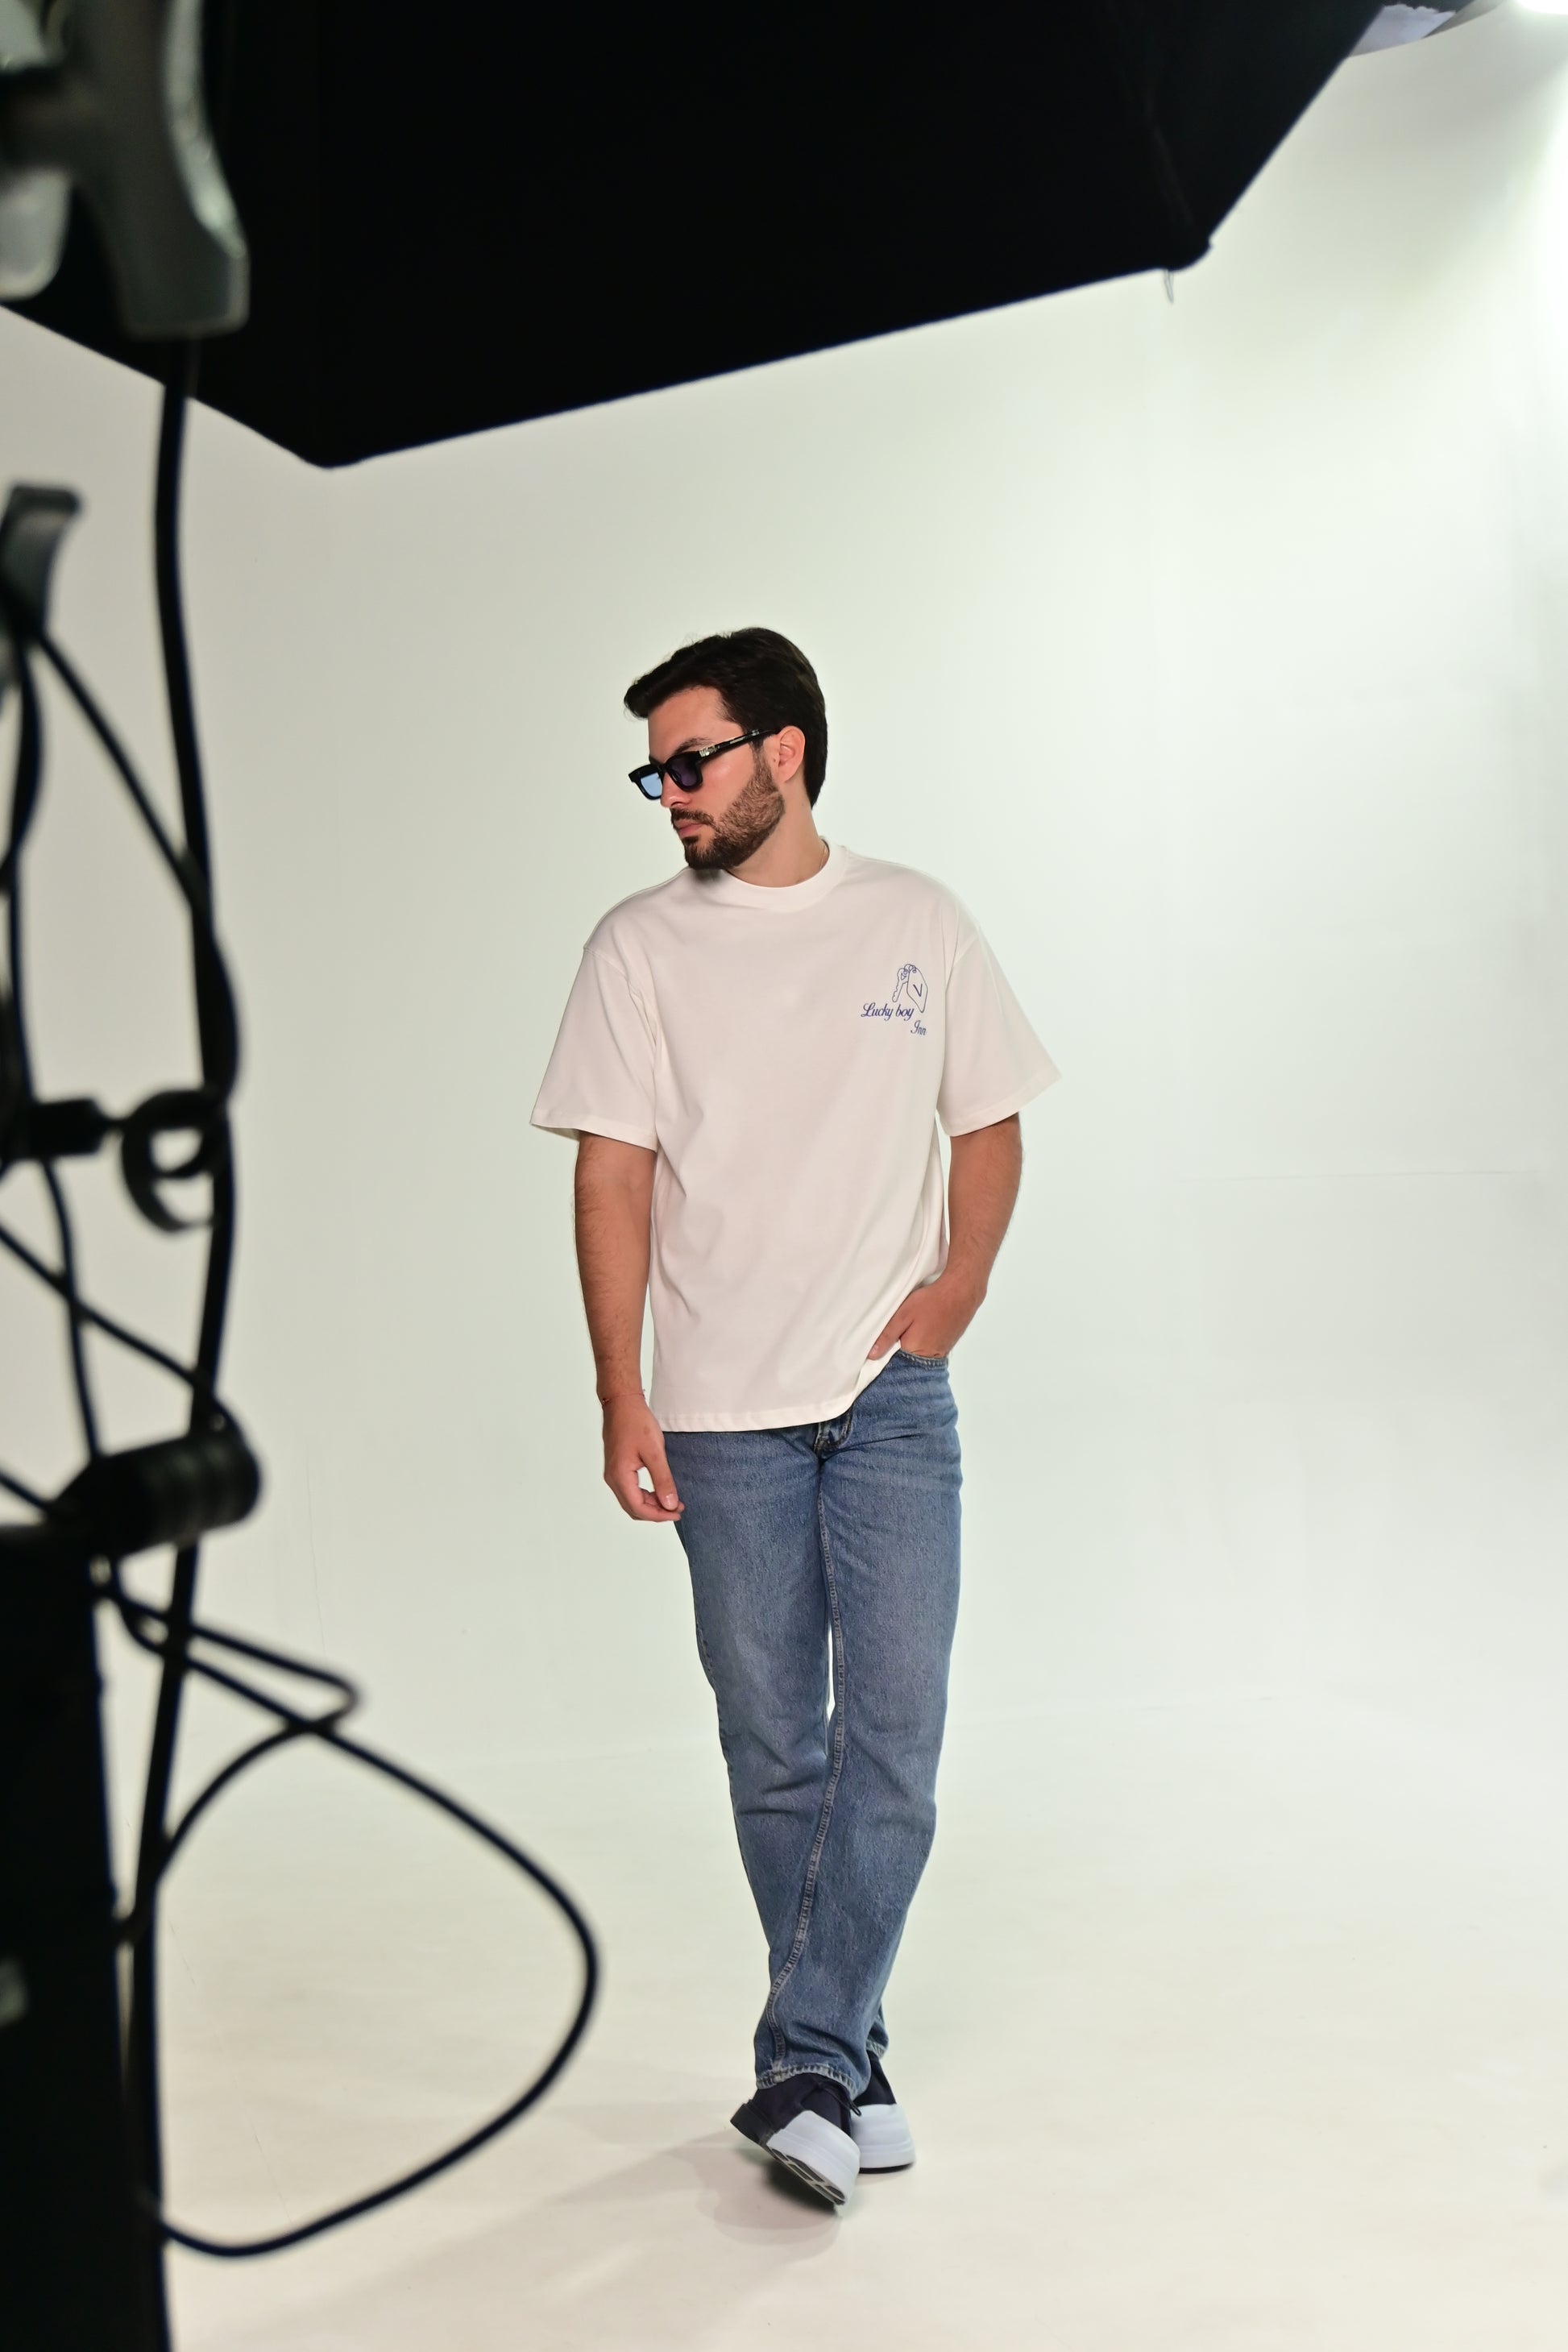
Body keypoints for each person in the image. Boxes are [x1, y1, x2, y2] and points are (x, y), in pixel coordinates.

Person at [531, 628, 1059, 2209]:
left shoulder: (915, 919)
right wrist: (620, 1387)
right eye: (655, 774)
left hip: (889, 1399)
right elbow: (612, 1173)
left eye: (691, 761)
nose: (672, 795)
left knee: (893, 1739)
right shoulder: (637, 947)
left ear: (784, 750)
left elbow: (989, 1119)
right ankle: (845, 2061)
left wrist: (959, 1286)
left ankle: (806, 2055)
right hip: (717, 1412)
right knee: (775, 1744)